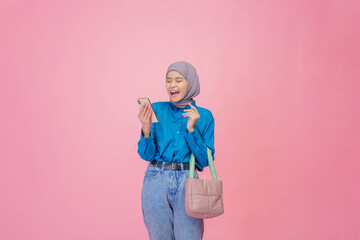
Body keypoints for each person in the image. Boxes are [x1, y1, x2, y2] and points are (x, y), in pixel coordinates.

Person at [137, 61, 215, 240]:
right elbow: (146, 155)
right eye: (168, 80)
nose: (172, 85)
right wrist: (146, 128)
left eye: (179, 80)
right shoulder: (156, 109)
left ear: (191, 83)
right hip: (155, 180)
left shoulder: (204, 116)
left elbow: (204, 161)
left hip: (187, 182)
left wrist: (191, 130)